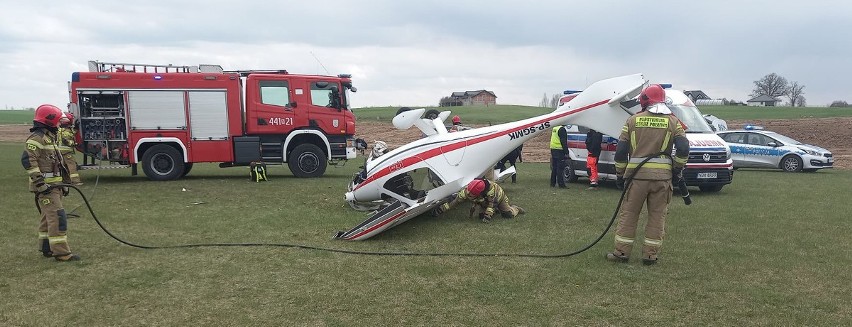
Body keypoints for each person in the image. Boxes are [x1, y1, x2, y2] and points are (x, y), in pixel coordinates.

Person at [607, 84, 689, 265]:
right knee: (657, 216)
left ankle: (622, 253)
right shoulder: (673, 122)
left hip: (636, 179)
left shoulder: (633, 120)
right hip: (662, 180)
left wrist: (620, 175)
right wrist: (677, 169)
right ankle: (650, 255)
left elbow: (621, 152)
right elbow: (683, 148)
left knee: (629, 215)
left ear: (644, 100)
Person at [22, 104, 81, 261]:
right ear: (49, 121)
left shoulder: (49, 137)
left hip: (54, 186)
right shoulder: (37, 139)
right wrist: (41, 184)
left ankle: (46, 247)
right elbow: (28, 160)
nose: (59, 124)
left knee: (47, 216)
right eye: (57, 121)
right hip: (46, 187)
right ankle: (62, 253)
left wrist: (64, 183)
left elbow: (57, 162)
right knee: (58, 216)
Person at [434, 179, 525, 223]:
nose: (468, 196)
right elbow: (454, 202)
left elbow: (491, 204)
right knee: (481, 216)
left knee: (507, 215)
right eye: (468, 193)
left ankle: (515, 209)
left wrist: (488, 216)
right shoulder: (467, 191)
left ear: (479, 193)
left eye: (471, 195)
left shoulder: (492, 191)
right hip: (484, 201)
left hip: (499, 199)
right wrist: (441, 209)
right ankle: (496, 211)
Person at [57, 113, 82, 185]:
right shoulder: (66, 131)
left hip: (59, 152)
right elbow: (68, 142)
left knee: (63, 166)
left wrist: (76, 128)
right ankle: (75, 181)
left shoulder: (60, 130)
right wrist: (76, 144)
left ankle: (66, 181)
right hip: (66, 152)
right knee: (72, 166)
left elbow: (73, 132)